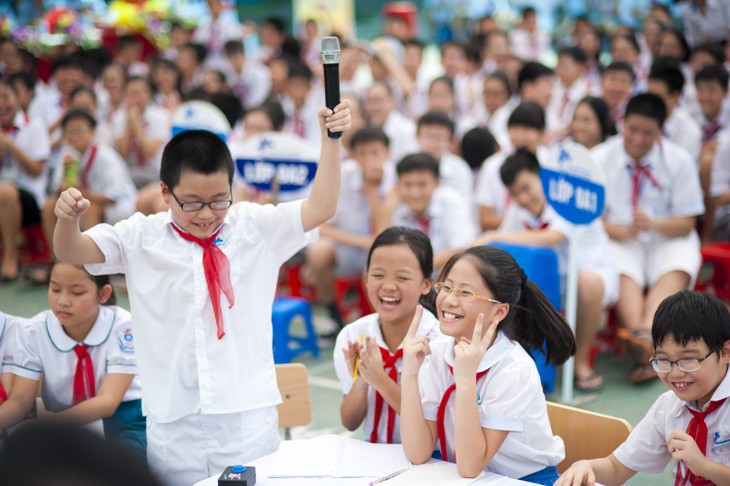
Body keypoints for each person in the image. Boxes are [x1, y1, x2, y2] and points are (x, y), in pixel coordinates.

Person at [52, 102, 351, 485]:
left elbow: (322, 206)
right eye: (192, 203)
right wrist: (67, 220)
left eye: (219, 201)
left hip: (245, 416)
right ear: (165, 192)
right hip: (173, 421)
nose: (207, 215)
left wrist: (331, 141)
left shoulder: (254, 227)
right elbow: (71, 250)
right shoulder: (141, 237)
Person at [400, 245, 575, 483]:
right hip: (460, 474)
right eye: (447, 287)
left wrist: (465, 380)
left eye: (466, 293)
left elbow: (471, 465)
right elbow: (417, 453)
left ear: (499, 311)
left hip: (523, 479)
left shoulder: (513, 369)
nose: (449, 300)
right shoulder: (437, 351)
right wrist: (409, 375)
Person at [476, 148, 619, 391]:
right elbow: (506, 245)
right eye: (514, 193)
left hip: (591, 275)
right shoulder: (518, 210)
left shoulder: (567, 198)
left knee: (587, 283)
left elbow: (552, 237)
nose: (522, 198)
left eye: (526, 187)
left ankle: (581, 362)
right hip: (552, 283)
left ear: (541, 177)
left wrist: (493, 234)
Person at [556, 290, 730, 486]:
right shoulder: (669, 406)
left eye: (688, 360)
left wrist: (704, 467)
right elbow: (616, 468)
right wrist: (586, 466)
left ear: (725, 352)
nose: (675, 373)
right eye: (663, 360)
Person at [592, 93, 704, 384]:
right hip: (620, 238)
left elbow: (688, 221)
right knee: (620, 267)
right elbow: (589, 217)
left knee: (678, 262)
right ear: (621, 123)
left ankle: (644, 344)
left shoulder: (678, 161)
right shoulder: (600, 158)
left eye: (647, 133)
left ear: (660, 131)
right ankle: (653, 352)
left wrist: (655, 224)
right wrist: (616, 230)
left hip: (667, 238)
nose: (638, 139)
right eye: (632, 130)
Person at [0, 261, 145, 457]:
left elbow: (108, 401)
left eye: (76, 292)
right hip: (63, 423)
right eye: (55, 289)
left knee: (125, 464)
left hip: (124, 419)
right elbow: (20, 402)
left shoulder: (123, 326)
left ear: (103, 294)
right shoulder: (33, 331)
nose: (63, 301)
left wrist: (44, 427)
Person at [334, 227, 442, 443]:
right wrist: (362, 381)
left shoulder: (440, 342)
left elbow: (435, 428)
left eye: (402, 277)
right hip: (373, 457)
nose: (389, 286)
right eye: (377, 275)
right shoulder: (353, 335)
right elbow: (350, 422)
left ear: (426, 285)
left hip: (432, 460)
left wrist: (380, 380)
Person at [306, 126, 396, 332]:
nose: (369, 159)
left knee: (378, 265)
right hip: (346, 248)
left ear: (387, 153)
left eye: (375, 152)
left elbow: (383, 231)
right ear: (353, 156)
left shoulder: (394, 178)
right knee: (318, 252)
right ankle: (334, 316)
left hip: (381, 250)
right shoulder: (342, 174)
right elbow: (321, 226)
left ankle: (383, 326)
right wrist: (360, 241)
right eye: (362, 154)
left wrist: (372, 189)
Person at [385, 153, 477, 269]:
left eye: (422, 185)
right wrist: (387, 211)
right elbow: (387, 251)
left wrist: (417, 270)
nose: (415, 193)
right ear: (397, 185)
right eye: (407, 185)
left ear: (437, 182)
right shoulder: (396, 206)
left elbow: (462, 248)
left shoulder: (452, 202)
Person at [0, 79, 51, 282]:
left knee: (5, 192)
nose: (2, 104)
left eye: (5, 96)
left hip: (28, 195)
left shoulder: (34, 126)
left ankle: (11, 257)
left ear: (17, 98)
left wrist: (12, 147)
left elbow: (37, 170)